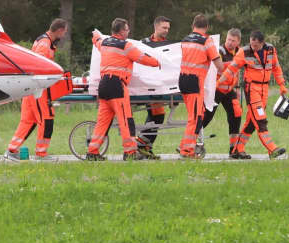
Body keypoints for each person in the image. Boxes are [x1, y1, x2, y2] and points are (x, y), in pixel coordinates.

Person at [86, 18, 160, 161]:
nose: (128, 31)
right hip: (117, 86)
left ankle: (92, 152)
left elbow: (96, 41)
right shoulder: (126, 46)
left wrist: (94, 36)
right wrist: (157, 62)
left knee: (103, 122)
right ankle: (130, 152)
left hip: (103, 86)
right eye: (127, 29)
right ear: (121, 31)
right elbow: (142, 58)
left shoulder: (105, 43)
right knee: (126, 120)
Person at [218, 30, 287, 159]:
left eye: (255, 45)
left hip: (264, 89)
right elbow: (231, 69)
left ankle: (237, 149)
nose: (252, 47)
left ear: (262, 43)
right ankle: (272, 149)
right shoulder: (244, 52)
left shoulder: (271, 49)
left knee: (251, 123)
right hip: (252, 89)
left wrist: (281, 84)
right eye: (251, 44)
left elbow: (276, 67)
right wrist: (218, 82)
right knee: (260, 119)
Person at [5, 18, 68, 161]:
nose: (64, 35)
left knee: (28, 121)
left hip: (31, 90)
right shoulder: (45, 44)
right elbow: (38, 66)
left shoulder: (44, 41)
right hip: (38, 90)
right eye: (64, 32)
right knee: (46, 119)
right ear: (59, 30)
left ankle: (11, 150)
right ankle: (41, 153)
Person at [178, 14, 224, 158]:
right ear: (207, 27)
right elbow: (218, 65)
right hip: (195, 82)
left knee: (197, 113)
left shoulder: (185, 40)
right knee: (196, 118)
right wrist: (227, 68)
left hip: (182, 80)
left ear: (193, 25)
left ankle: (185, 147)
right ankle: (187, 150)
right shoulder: (207, 41)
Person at [201, 28, 243, 156]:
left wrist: (236, 87)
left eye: (233, 40)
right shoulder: (219, 51)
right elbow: (218, 66)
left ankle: (234, 149)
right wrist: (234, 64)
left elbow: (237, 72)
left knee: (236, 114)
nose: (230, 42)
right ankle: (190, 142)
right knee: (206, 116)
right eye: (228, 39)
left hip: (229, 90)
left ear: (238, 41)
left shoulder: (240, 52)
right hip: (215, 89)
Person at [138, 15, 172, 158]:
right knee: (157, 114)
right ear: (156, 26)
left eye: (168, 28)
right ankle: (142, 144)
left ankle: (144, 146)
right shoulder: (143, 43)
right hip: (146, 85)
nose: (166, 31)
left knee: (156, 115)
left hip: (162, 85)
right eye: (164, 28)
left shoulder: (170, 45)